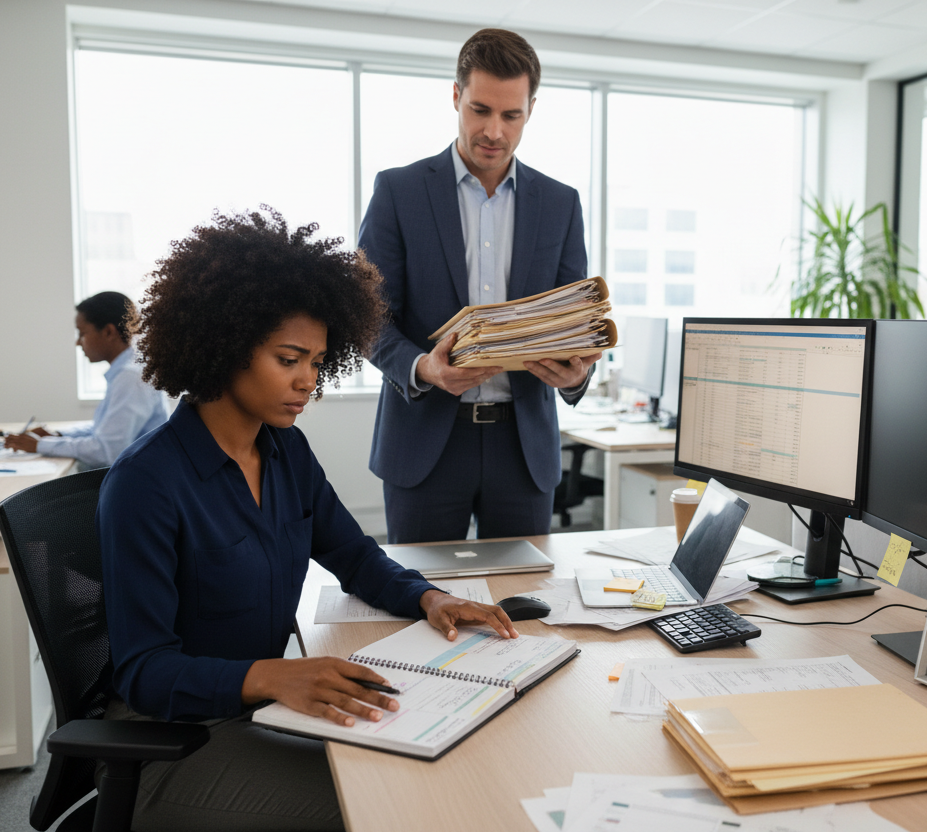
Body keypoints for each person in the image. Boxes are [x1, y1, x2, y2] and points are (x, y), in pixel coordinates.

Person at [97, 208, 518, 832]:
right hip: (174, 747)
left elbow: (352, 553)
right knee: (399, 808)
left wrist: (428, 596)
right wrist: (274, 676)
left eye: (318, 362)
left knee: (447, 762)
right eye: (289, 358)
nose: (307, 382)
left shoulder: (283, 448)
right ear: (224, 345)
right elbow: (143, 671)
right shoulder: (145, 484)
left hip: (264, 715)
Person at [359, 28, 602, 544]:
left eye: (511, 115)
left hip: (524, 449)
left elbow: (573, 322)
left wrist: (576, 372)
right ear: (455, 97)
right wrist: (423, 367)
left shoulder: (561, 204)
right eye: (480, 110)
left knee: (526, 610)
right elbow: (367, 320)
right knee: (420, 605)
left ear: (531, 109)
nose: (493, 131)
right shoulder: (398, 192)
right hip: (425, 441)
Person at [3, 292, 167, 468]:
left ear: (108, 332)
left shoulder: (131, 378)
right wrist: (57, 435)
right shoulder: (127, 371)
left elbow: (106, 451)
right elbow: (102, 430)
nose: (78, 343)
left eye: (82, 333)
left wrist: (39, 445)